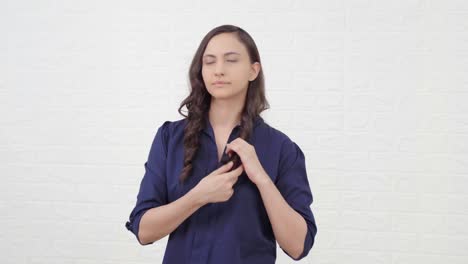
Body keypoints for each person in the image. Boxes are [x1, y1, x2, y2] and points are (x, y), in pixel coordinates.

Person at [125, 24, 317, 263]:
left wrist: (263, 180)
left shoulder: (282, 149)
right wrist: (198, 196)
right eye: (209, 61)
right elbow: (143, 231)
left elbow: (298, 246)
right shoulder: (169, 138)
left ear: (253, 70)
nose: (219, 70)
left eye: (231, 60)